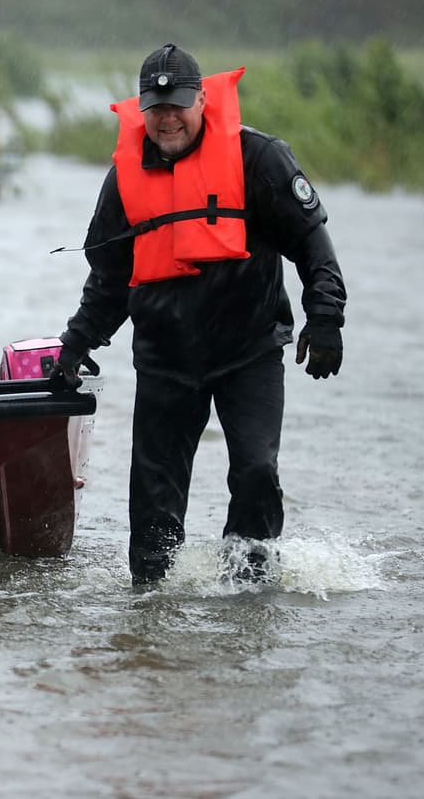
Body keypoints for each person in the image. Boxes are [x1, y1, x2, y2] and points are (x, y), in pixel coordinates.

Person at [56, 43, 347, 586]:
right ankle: (151, 612)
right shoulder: (125, 178)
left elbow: (313, 244)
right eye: (156, 107)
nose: (167, 118)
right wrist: (76, 345)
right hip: (166, 360)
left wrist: (325, 316)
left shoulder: (258, 158)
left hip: (249, 352)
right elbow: (112, 279)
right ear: (142, 108)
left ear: (202, 100)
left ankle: (249, 589)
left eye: (179, 105)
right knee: (153, 507)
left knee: (257, 471)